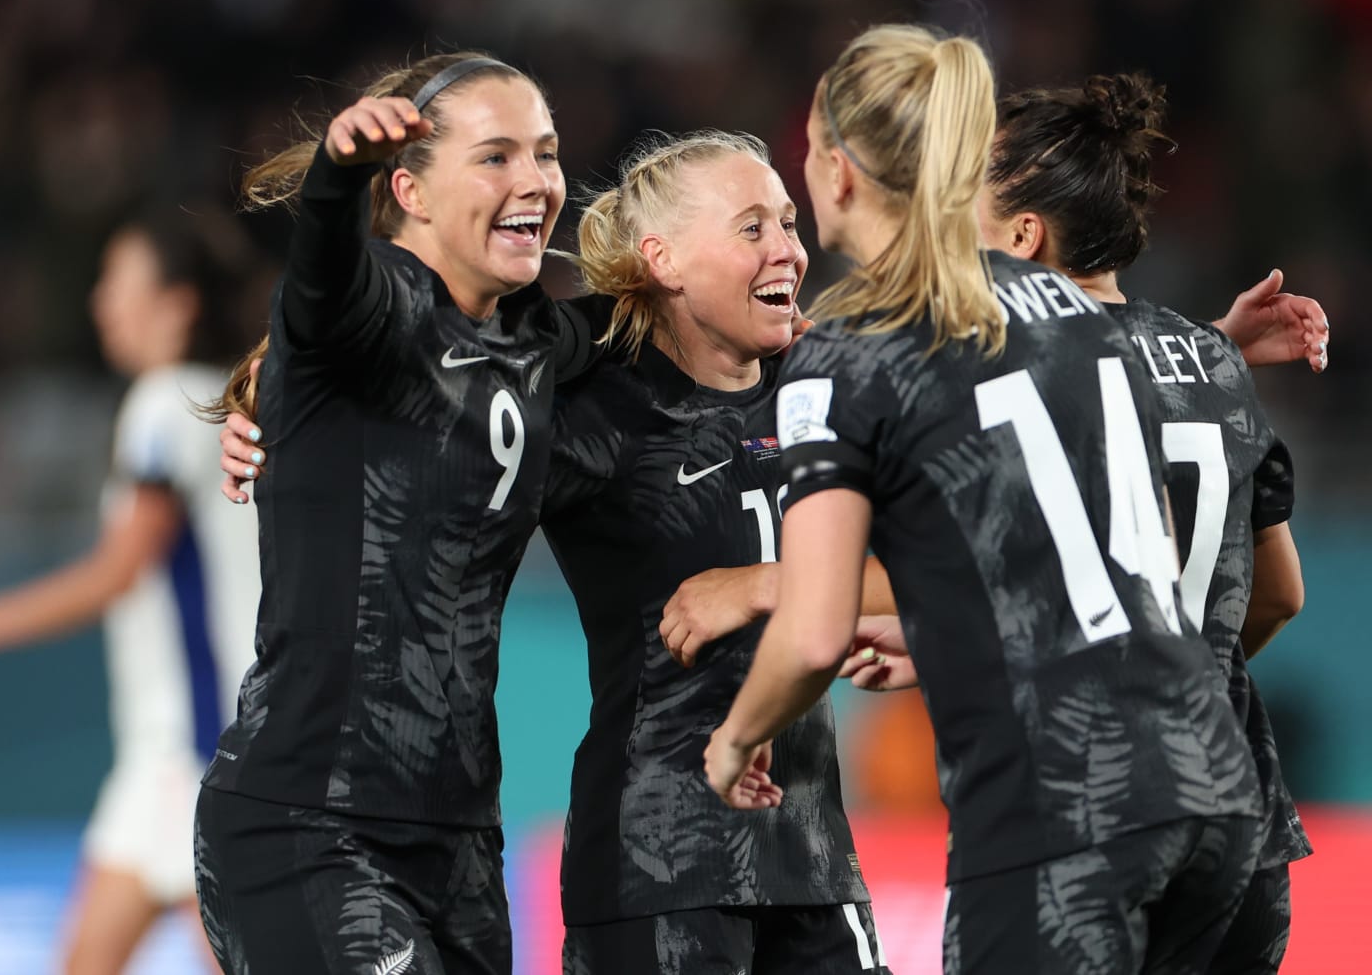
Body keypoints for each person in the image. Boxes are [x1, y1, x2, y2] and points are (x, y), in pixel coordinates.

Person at [222, 130, 895, 973]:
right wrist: (274, 411)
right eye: (751, 227)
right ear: (664, 259)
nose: (788, 249)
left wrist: (765, 585)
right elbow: (414, 381)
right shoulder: (589, 406)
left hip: (818, 860)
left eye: (788, 222)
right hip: (659, 864)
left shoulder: (830, 387)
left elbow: (954, 559)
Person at [705, 24, 1264, 975]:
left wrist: (737, 737)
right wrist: (944, 632)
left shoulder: (848, 348)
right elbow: (1137, 556)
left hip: (1058, 804)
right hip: (1213, 785)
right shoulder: (1077, 305)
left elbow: (812, 631)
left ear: (838, 170)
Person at [192, 52, 600, 975]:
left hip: (461, 843)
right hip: (312, 822)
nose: (536, 180)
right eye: (495, 156)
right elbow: (324, 283)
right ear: (408, 190)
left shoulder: (534, 335)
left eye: (546, 153)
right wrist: (337, 176)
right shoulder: (376, 303)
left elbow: (655, 328)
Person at [978, 75, 1312, 973]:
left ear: (1023, 236)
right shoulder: (1212, 361)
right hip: (1239, 814)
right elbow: (1279, 594)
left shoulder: (1012, 372)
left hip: (1098, 806)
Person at [0, 212, 259, 975]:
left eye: (118, 281)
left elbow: (116, 572)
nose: (101, 301)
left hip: (198, 759)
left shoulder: (165, 405)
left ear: (176, 304)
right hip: (174, 758)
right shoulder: (212, 404)